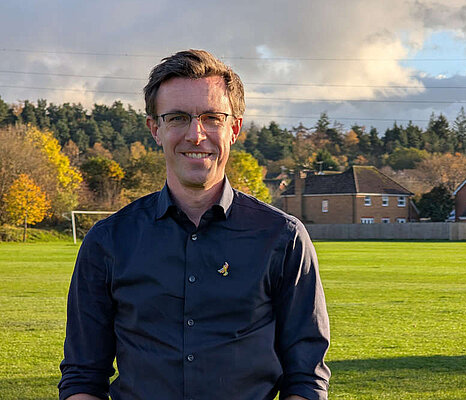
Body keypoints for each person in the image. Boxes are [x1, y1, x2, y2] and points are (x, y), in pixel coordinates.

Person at [58, 49, 330, 400]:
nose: (196, 134)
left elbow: (306, 379)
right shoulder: (108, 241)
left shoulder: (283, 238)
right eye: (177, 118)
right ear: (155, 129)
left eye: (212, 117)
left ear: (234, 129)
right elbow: (83, 377)